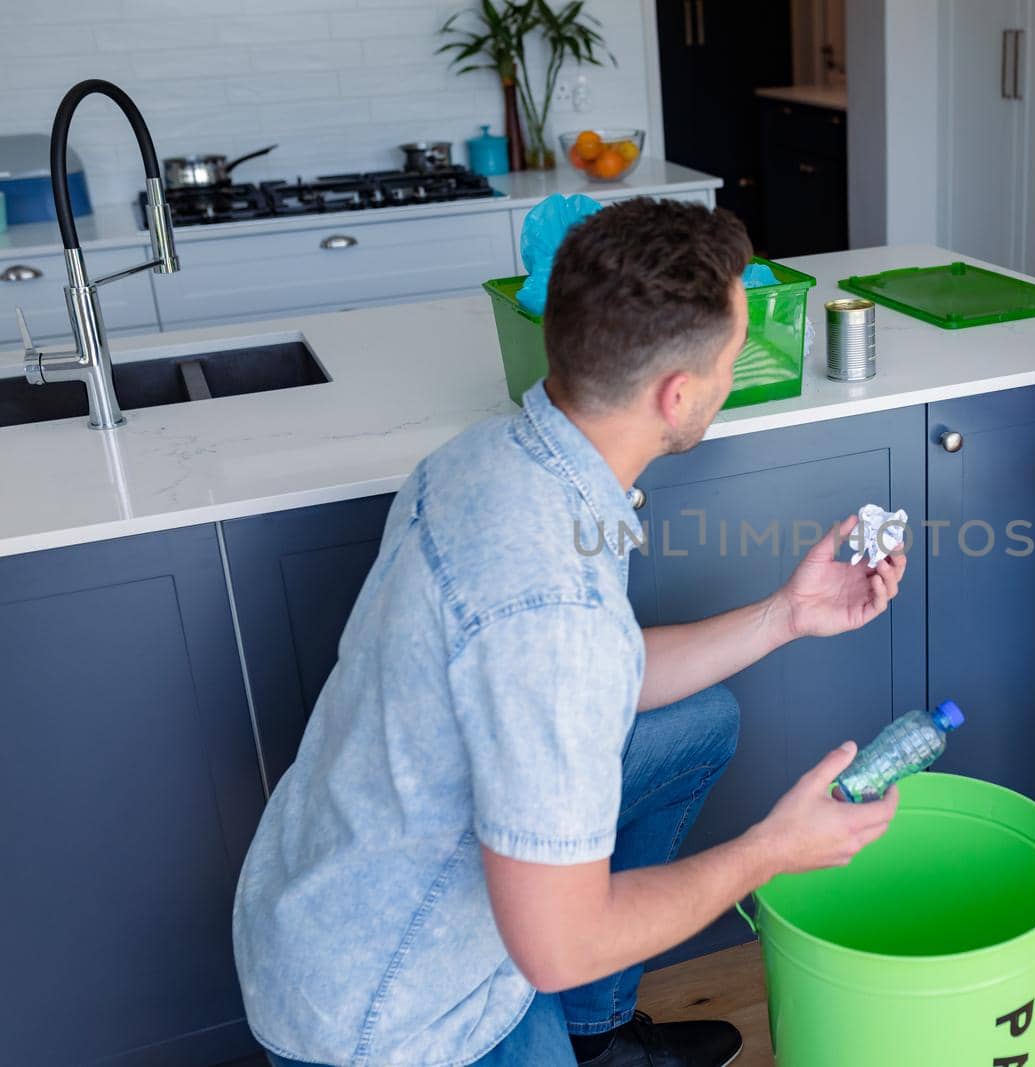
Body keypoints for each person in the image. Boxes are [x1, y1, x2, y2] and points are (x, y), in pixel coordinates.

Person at [232, 199, 907, 1067]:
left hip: (324, 888)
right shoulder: (552, 608)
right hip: (393, 1013)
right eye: (734, 359)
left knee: (700, 724)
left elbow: (597, 676)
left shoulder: (497, 455)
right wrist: (772, 849)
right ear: (677, 393)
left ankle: (597, 1033)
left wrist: (788, 613)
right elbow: (560, 943)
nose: (733, 377)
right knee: (573, 942)